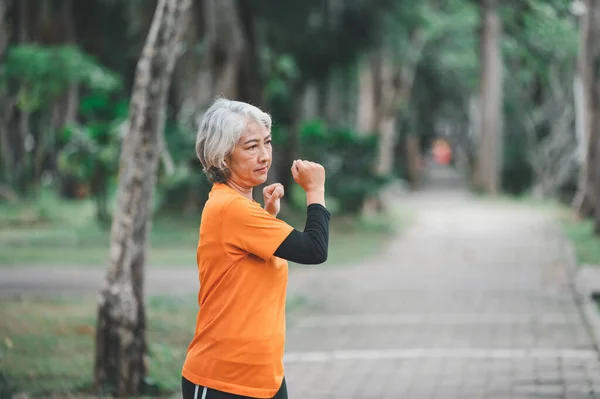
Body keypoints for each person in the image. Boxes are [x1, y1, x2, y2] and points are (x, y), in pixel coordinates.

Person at [181, 98, 331, 399]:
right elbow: (315, 250)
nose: (265, 156)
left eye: (267, 142)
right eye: (251, 147)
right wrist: (315, 190)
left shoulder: (240, 209)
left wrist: (268, 215)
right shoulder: (232, 209)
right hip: (223, 380)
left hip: (265, 378)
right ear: (223, 157)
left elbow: (244, 267)